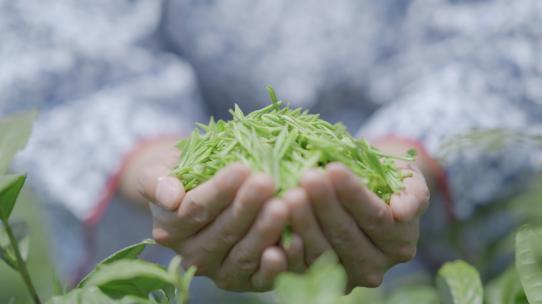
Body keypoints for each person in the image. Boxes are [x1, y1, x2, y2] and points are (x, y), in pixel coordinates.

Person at [2, 0, 541, 301]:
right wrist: (154, 162)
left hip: (424, 244)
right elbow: (64, 40)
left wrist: (404, 157)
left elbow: (509, 33)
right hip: (158, 246)